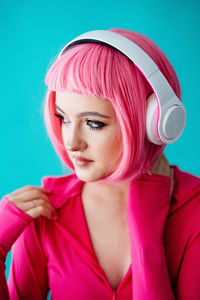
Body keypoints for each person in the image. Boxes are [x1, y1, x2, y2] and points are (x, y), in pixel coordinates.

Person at [0, 28, 199, 300]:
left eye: (94, 123)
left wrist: (147, 234)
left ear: (155, 122)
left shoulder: (193, 210)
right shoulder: (43, 212)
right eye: (63, 118)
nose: (71, 142)